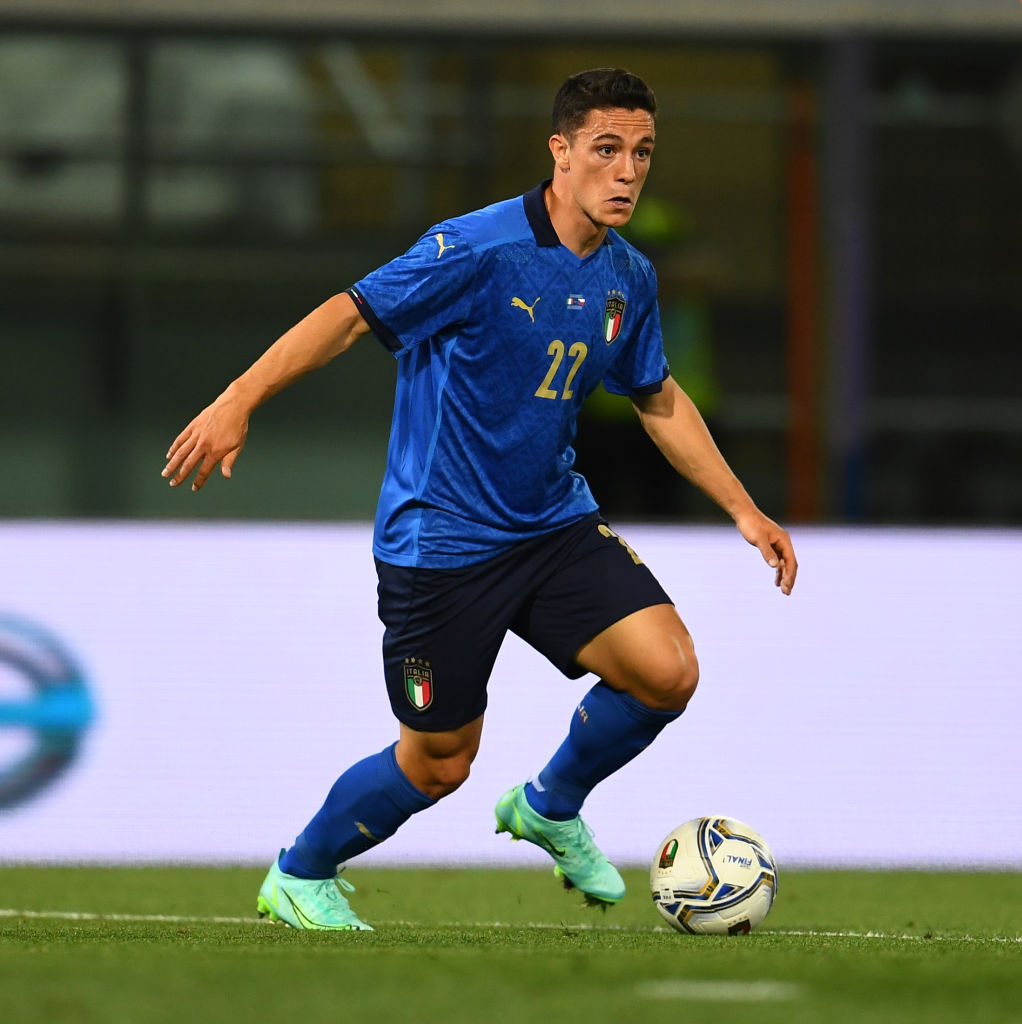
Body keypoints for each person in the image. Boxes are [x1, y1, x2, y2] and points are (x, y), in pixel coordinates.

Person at [161, 68, 797, 931]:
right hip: (443, 545)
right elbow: (350, 314)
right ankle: (300, 870)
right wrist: (236, 400)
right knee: (438, 764)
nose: (627, 171)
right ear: (560, 152)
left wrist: (744, 510)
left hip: (552, 524)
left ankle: (549, 802)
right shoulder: (478, 249)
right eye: (606, 150)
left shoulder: (628, 278)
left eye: (642, 153)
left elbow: (657, 394)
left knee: (666, 672)